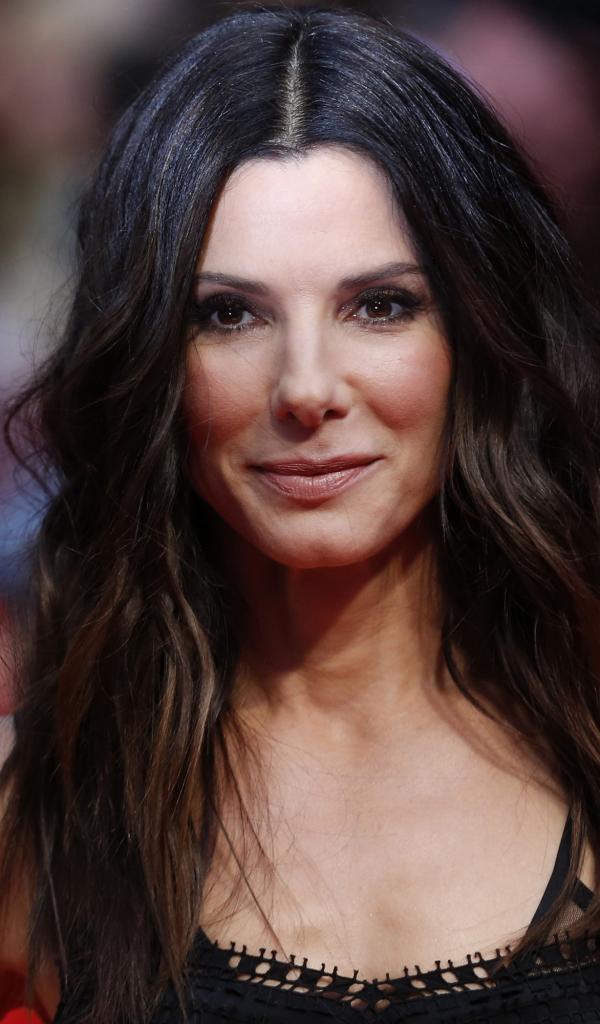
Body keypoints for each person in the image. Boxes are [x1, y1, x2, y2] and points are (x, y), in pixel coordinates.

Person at [1, 3, 600, 1022]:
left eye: (381, 305)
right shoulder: (42, 811)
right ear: (150, 364)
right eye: (228, 314)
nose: (306, 388)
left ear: (477, 335)